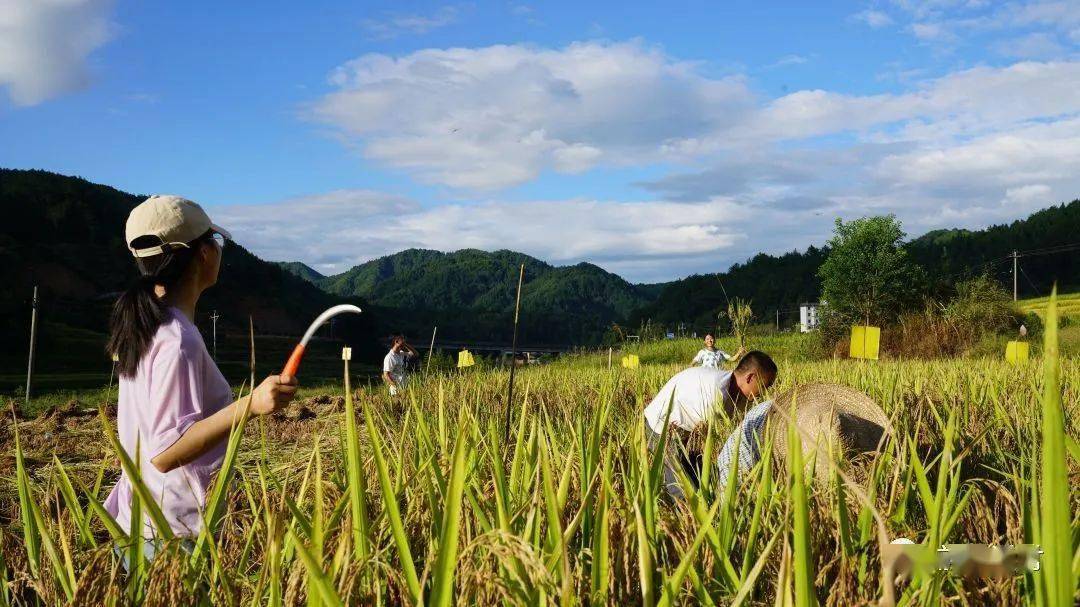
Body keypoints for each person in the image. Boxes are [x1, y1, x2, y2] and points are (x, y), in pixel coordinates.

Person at [104, 195, 299, 561]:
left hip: (142, 521)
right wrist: (251, 404)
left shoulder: (146, 325)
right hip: (171, 536)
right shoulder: (177, 339)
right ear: (204, 253)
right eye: (215, 241)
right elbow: (164, 451)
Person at [642, 351, 777, 498]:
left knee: (704, 479)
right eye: (766, 385)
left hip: (686, 431)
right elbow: (700, 445)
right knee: (683, 487)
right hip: (661, 427)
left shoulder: (739, 394)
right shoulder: (714, 394)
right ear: (750, 378)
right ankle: (683, 516)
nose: (765, 392)